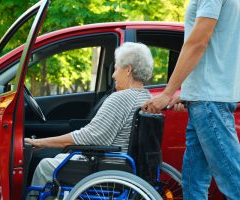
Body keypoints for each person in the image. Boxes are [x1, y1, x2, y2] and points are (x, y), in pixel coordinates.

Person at [25, 42, 154, 197]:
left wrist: (40, 142)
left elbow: (91, 137)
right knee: (60, 157)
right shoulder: (147, 97)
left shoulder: (121, 98)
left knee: (45, 166)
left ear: (128, 70)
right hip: (123, 164)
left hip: (108, 166)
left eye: (116, 68)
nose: (113, 75)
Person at [142, 0, 240, 199]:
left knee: (234, 181)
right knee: (192, 184)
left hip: (209, 100)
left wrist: (167, 93)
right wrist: (187, 92)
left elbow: (198, 42)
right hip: (205, 98)